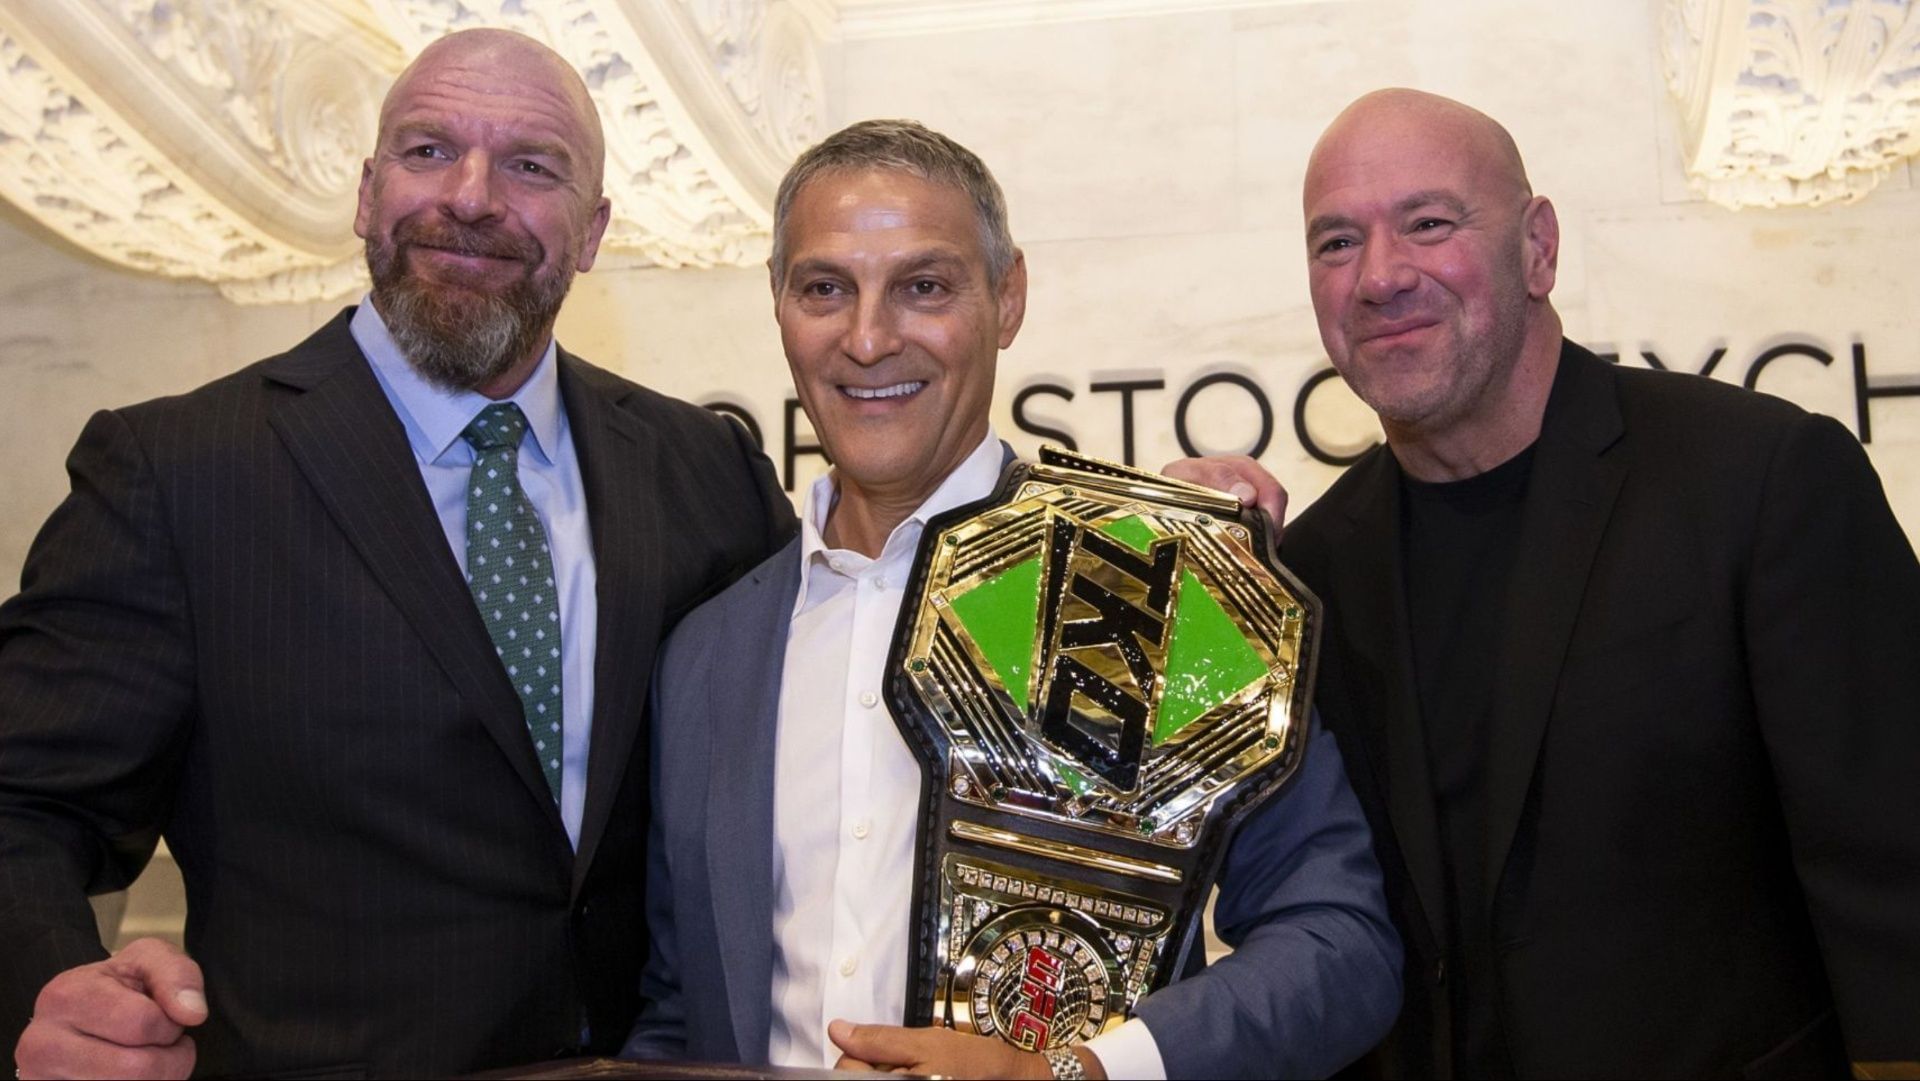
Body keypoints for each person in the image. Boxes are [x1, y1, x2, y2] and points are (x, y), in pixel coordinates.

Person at [0, 29, 794, 1079]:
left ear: (594, 229)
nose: (470, 196)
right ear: (366, 193)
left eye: (531, 165)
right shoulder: (176, 473)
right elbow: (24, 800)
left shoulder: (711, 473)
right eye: (427, 151)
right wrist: (46, 981)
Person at [619, 119, 1402, 1080]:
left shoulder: (1145, 582)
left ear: (1009, 297)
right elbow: (680, 1005)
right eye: (825, 288)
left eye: (924, 286)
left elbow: (1339, 940)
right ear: (779, 306)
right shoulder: (708, 651)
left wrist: (1082, 1072)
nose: (868, 337)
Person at [1278, 88, 1920, 1076]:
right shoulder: (1307, 571)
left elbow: (1896, 880)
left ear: (1538, 247)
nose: (1379, 276)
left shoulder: (1760, 480)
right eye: (1335, 242)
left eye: (1429, 224)